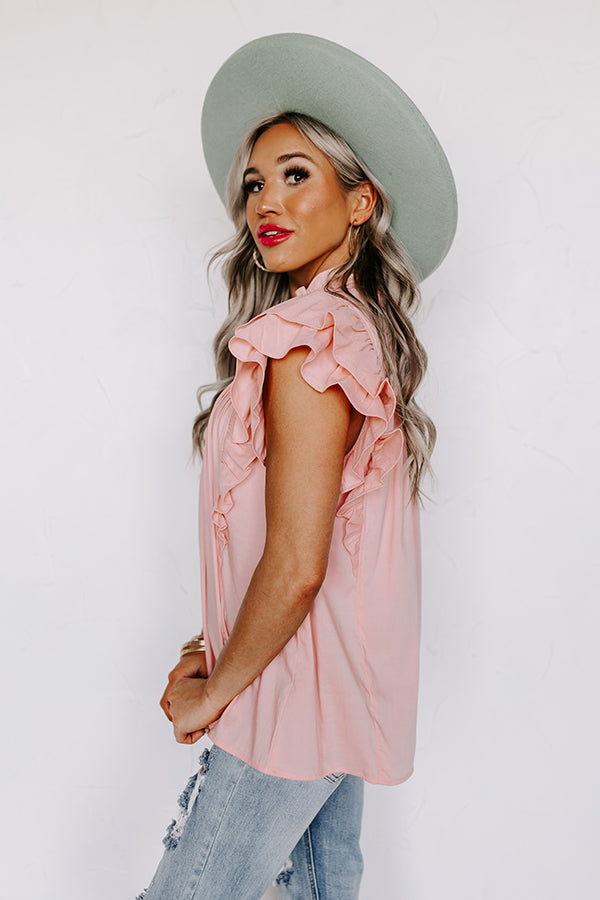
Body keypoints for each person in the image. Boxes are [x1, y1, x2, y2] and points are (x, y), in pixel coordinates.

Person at [136, 33, 457, 900]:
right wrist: (211, 644)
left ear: (360, 202)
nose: (265, 203)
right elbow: (317, 545)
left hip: (288, 704)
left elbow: (298, 562)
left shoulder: (310, 337)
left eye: (295, 174)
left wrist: (215, 693)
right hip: (327, 693)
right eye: (254, 183)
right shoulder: (352, 332)